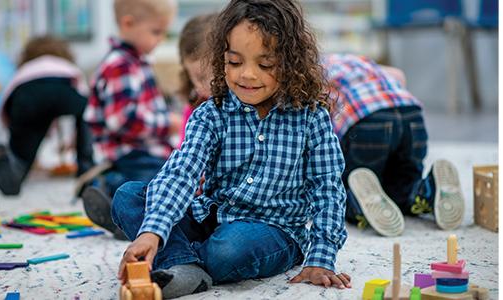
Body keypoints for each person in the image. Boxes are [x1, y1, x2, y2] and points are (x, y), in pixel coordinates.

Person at [112, 0, 351, 298]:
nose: (247, 75)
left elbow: (327, 188)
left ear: (291, 64)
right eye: (235, 62)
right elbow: (182, 172)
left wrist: (322, 257)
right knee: (128, 196)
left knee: (228, 249)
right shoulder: (211, 113)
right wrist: (152, 232)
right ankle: (184, 265)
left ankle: (180, 258)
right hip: (211, 217)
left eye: (265, 65)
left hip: (273, 231)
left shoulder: (311, 117)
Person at [323, 53, 465, 237]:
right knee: (404, 186)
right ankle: (430, 189)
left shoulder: (312, 70)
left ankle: (359, 203)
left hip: (367, 120)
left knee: (347, 184)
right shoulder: (361, 62)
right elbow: (398, 75)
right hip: (411, 115)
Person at [80, 0, 179, 240]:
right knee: (159, 184)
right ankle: (111, 188)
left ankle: (117, 196)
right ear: (128, 23)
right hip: (131, 153)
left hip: (146, 150)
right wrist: (167, 123)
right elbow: (123, 122)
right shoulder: (120, 65)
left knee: (173, 177)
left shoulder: (137, 61)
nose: (160, 39)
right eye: (156, 32)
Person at [0, 35, 94, 196]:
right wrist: (79, 136)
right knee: (85, 116)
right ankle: (86, 173)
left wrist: (15, 135)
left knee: (22, 153)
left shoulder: (24, 71)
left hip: (26, 98)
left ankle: (14, 169)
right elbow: (87, 102)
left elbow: (9, 101)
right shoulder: (65, 67)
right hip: (63, 92)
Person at [176, 13, 216, 148]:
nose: (206, 85)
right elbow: (183, 150)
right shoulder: (193, 110)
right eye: (199, 78)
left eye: (215, 74)